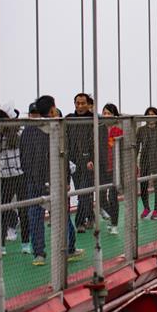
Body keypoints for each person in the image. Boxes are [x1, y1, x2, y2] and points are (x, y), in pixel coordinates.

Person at [22, 95, 83, 266]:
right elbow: (63, 156)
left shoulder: (28, 130)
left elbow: (24, 159)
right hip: (54, 180)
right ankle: (68, 249)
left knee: (35, 217)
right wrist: (65, 179)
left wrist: (32, 177)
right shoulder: (56, 128)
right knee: (62, 216)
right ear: (52, 109)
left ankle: (39, 254)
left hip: (34, 181)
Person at [0, 108, 27, 255]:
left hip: (20, 176)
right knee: (1, 210)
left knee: (23, 209)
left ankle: (26, 243)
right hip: (4, 178)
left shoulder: (17, 133)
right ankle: (1, 246)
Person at [67, 93, 95, 232]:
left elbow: (98, 142)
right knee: (82, 192)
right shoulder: (68, 119)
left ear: (88, 104)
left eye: (83, 103)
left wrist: (93, 159)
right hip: (74, 163)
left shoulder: (94, 119)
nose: (80, 106)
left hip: (89, 163)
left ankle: (79, 222)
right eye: (77, 103)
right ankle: (91, 217)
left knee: (84, 192)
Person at [98, 104, 123, 234]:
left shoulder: (119, 130)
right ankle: (111, 216)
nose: (106, 115)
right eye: (104, 113)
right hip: (102, 168)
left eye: (109, 113)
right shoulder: (98, 129)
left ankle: (114, 224)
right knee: (101, 197)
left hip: (115, 168)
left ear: (114, 115)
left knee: (113, 197)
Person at [136, 107, 157, 219]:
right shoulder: (141, 130)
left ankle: (156, 210)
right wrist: (134, 161)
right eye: (148, 115)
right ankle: (146, 208)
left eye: (153, 115)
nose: (151, 117)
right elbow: (137, 146)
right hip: (144, 160)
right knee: (143, 185)